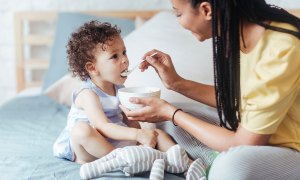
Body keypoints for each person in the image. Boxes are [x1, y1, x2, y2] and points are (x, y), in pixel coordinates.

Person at [120, 0, 300, 179]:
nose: (179, 22)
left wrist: (171, 112)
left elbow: (244, 143)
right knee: (165, 123)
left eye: (179, 13)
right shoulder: (240, 33)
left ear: (206, 10)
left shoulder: (280, 49)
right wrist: (176, 83)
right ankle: (205, 164)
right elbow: (242, 100)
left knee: (231, 165)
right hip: (259, 133)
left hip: (290, 149)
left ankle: (212, 166)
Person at [52, 21, 178, 165]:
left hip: (115, 143)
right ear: (92, 68)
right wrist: (137, 134)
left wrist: (142, 136)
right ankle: (123, 161)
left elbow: (130, 122)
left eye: (124, 52)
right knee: (81, 131)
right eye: (114, 56)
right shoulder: (87, 94)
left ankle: (185, 163)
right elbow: (103, 126)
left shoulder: (120, 89)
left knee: (158, 134)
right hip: (91, 149)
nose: (125, 60)